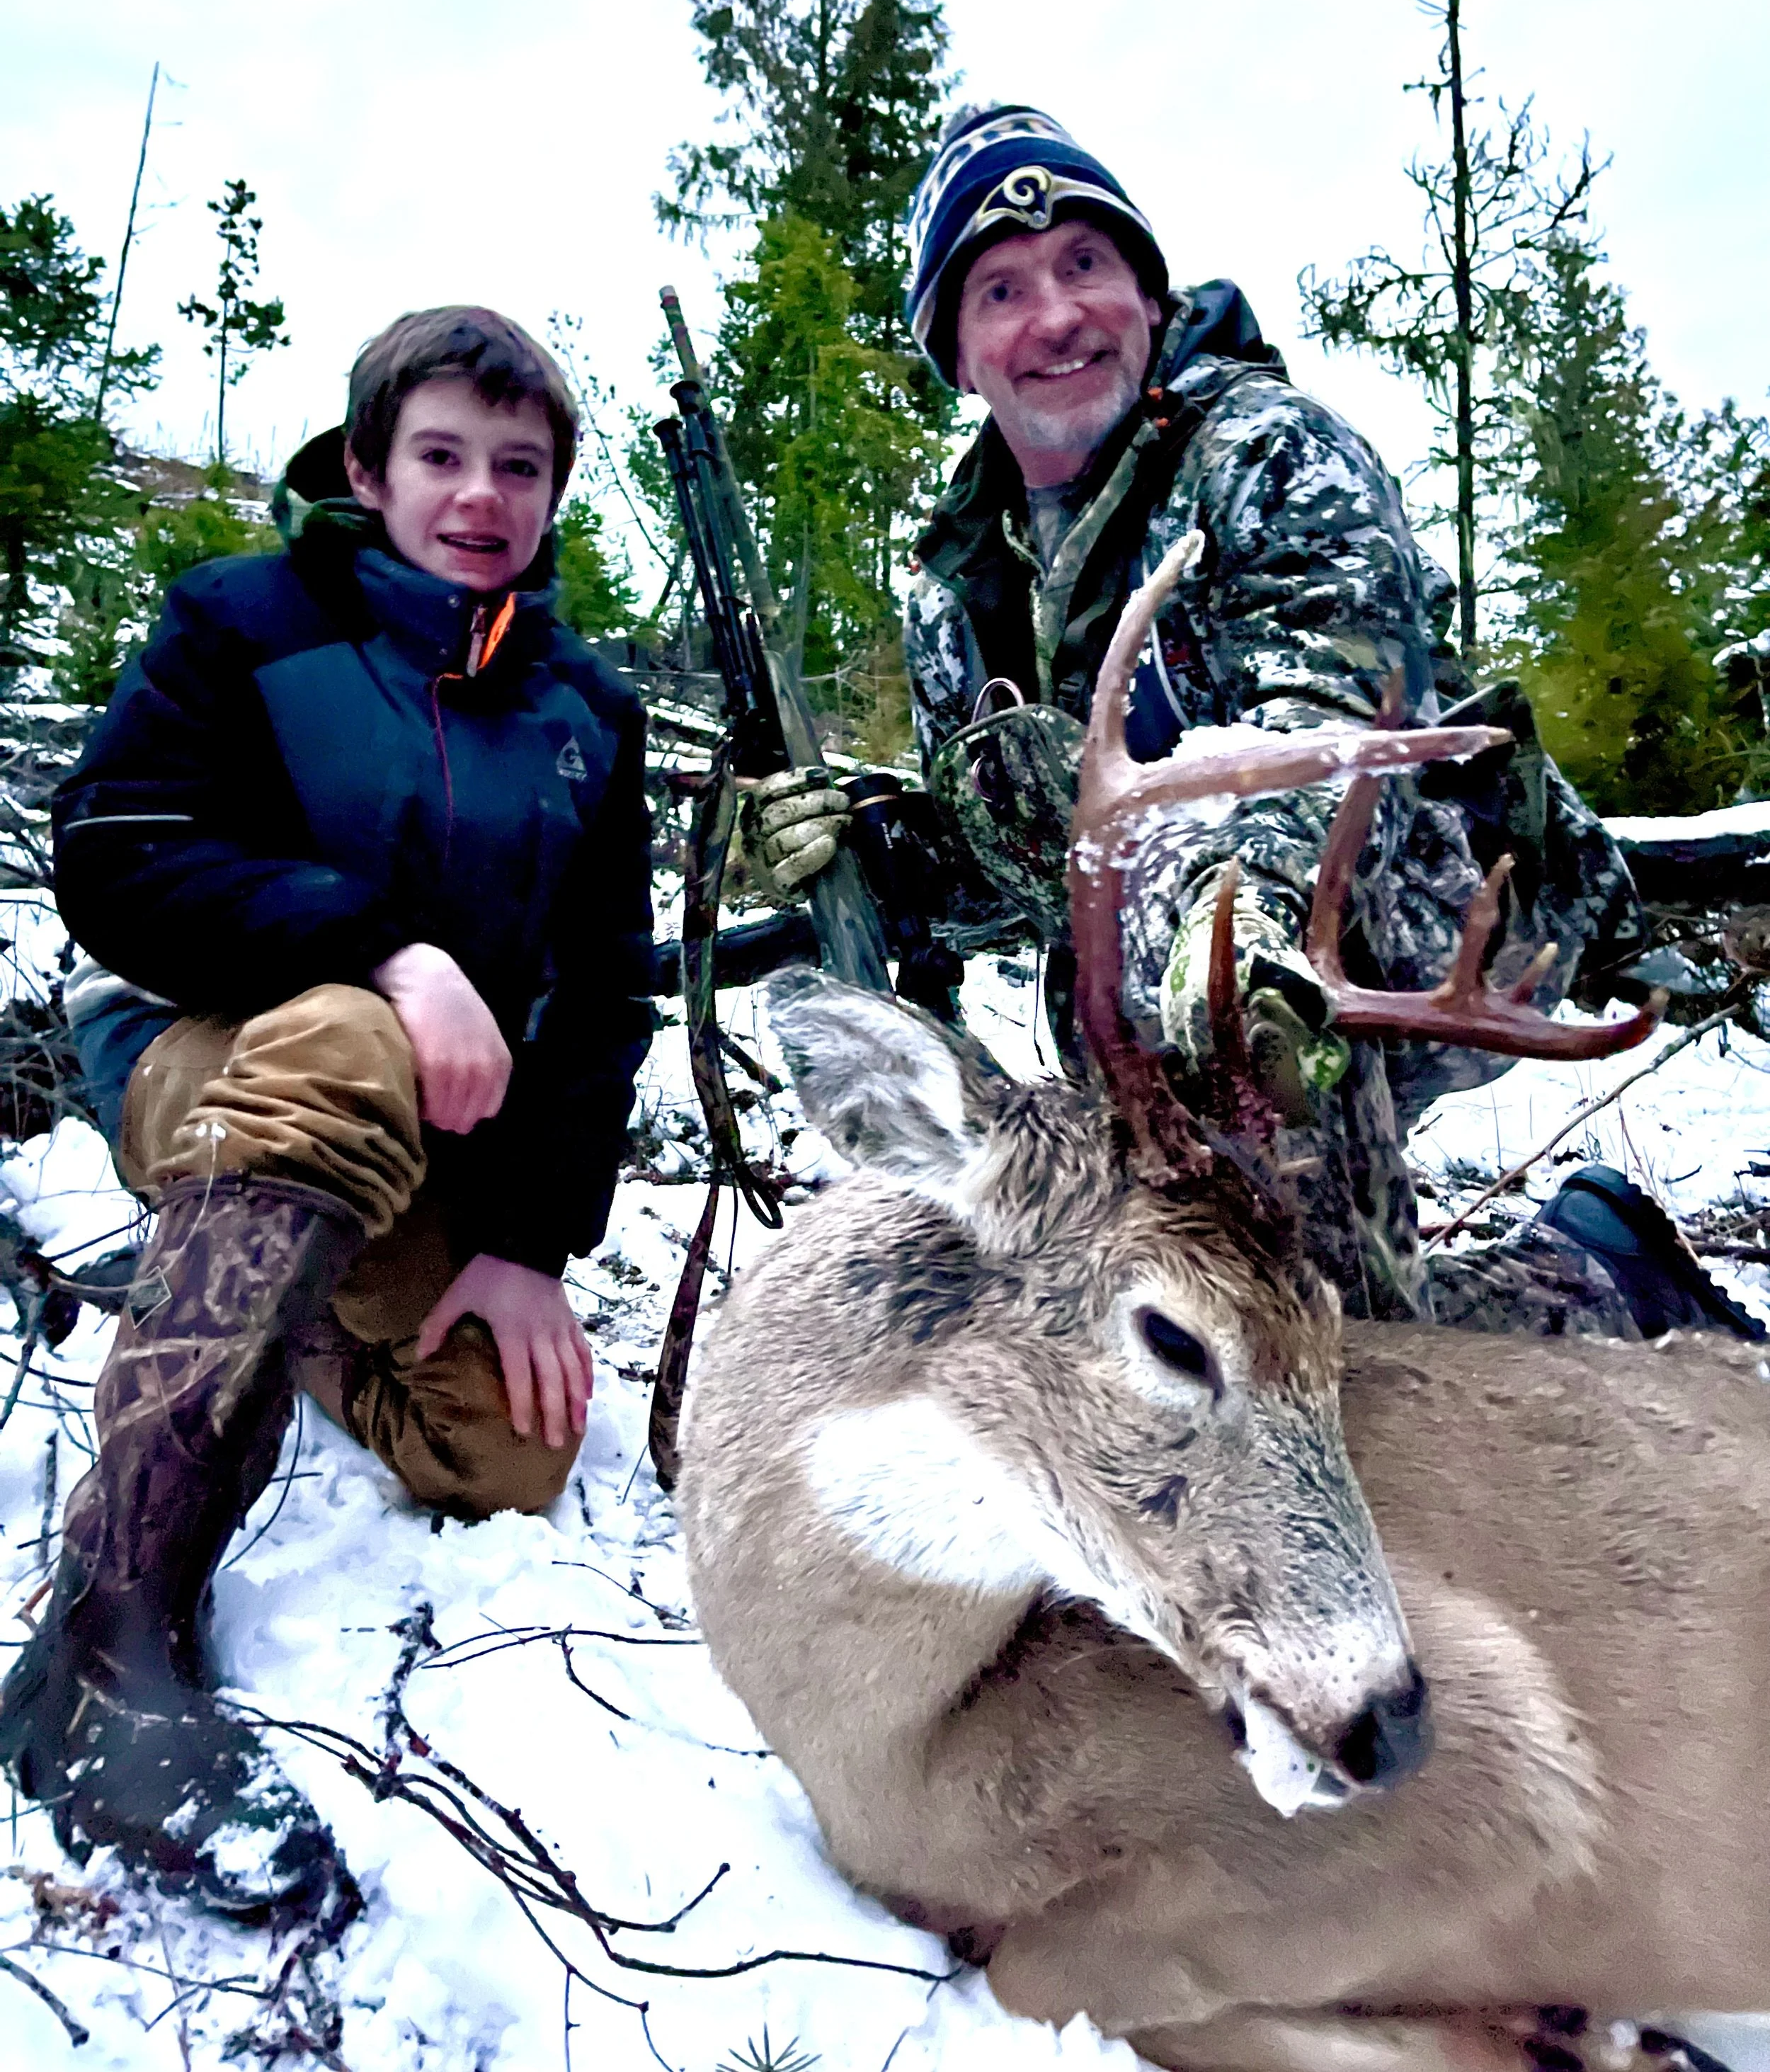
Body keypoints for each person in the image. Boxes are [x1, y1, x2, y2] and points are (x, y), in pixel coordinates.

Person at [751, 103, 1759, 1345]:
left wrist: (1243, 911)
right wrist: (867, 848)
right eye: (1002, 289)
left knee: (1335, 1362)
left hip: (1394, 917)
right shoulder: (958, 587)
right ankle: (1575, 1258)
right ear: (958, 355)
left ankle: (1590, 1292)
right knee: (1224, 1333)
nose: (1057, 315)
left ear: (1149, 294)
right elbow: (1012, 859)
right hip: (1150, 995)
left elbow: (1343, 722)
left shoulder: (1273, 454)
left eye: (1086, 264)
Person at [0, 307, 653, 1922]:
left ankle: (274, 1312)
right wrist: (383, 947)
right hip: (198, 1058)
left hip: (415, 1134)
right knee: (359, 1039)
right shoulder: (245, 620)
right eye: (440, 455)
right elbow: (118, 852)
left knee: (506, 1449)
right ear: (367, 468)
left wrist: (523, 1245)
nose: (479, 496)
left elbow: (603, 995)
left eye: (519, 467)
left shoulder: (585, 711)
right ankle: (103, 1641)